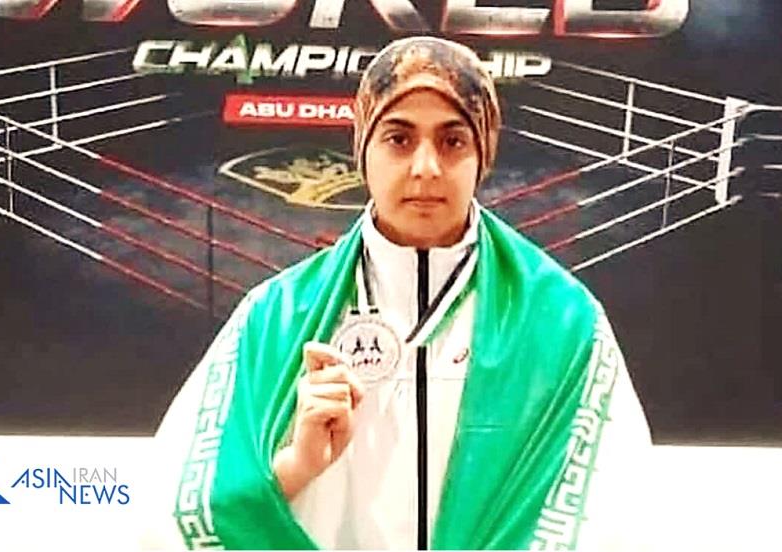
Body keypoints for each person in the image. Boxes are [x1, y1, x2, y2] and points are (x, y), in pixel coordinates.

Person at [145, 36, 653, 551]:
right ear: (362, 150)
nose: (426, 167)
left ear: (484, 153)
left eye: (452, 141)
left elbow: (612, 510)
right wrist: (295, 466)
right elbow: (179, 514)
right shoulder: (273, 319)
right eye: (399, 138)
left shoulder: (562, 321)